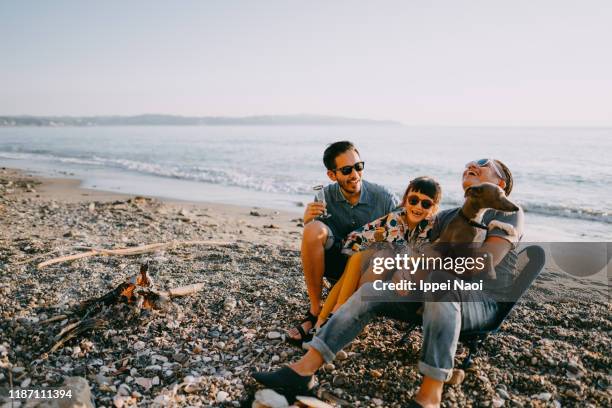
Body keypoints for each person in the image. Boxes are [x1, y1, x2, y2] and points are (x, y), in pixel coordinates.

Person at [255, 159, 524, 408]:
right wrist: (407, 274)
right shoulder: (447, 217)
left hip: (481, 300)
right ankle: (303, 370)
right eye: (469, 164)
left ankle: (430, 396)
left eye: (483, 164)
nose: (472, 165)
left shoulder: (507, 214)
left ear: (500, 185)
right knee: (372, 290)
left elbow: (481, 265)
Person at [286, 141, 398, 346]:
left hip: (367, 271)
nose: (355, 174)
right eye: (346, 170)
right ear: (332, 175)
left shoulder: (384, 198)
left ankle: (336, 318)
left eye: (358, 166)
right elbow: (316, 238)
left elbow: (401, 238)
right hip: (336, 262)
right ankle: (315, 311)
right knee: (312, 230)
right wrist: (307, 222)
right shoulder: (324, 196)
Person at [313, 176, 441, 330]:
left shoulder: (429, 226)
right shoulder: (396, 218)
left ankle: (325, 321)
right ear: (406, 199)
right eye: (413, 200)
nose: (418, 207)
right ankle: (330, 316)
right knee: (347, 278)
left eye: (426, 203)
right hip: (359, 245)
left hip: (382, 251)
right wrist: (401, 271)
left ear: (433, 208)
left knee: (347, 280)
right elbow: (401, 249)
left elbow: (417, 253)